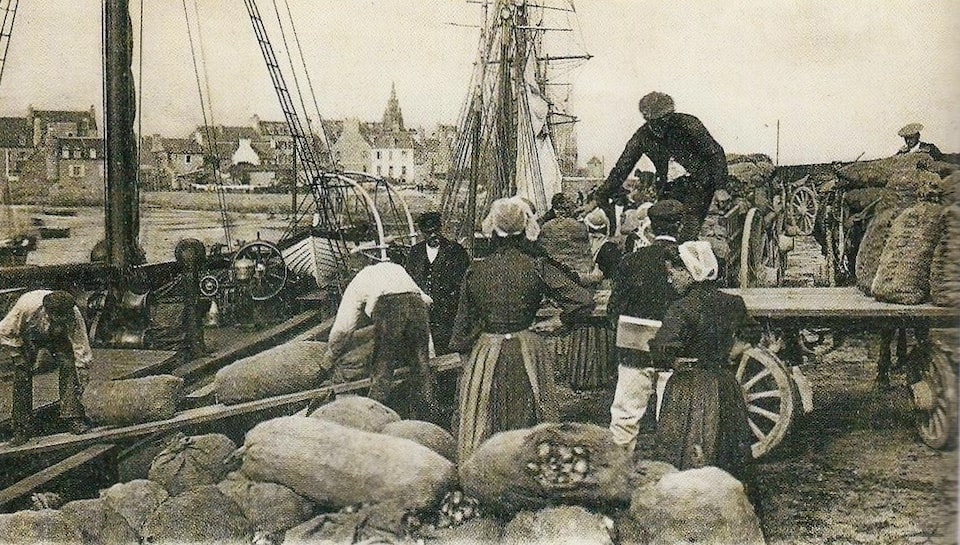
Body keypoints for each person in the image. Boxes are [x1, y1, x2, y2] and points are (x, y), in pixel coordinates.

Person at [449, 198, 595, 460]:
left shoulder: (476, 270)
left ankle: (487, 471)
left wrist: (471, 367)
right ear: (526, 228)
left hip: (487, 351)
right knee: (530, 413)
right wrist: (561, 322)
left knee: (485, 414)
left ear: (493, 229)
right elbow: (582, 300)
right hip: (527, 348)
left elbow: (461, 331)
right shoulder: (536, 265)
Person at [649, 241, 757, 485]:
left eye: (673, 273)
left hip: (689, 388)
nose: (670, 280)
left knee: (689, 447)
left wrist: (671, 359)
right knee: (725, 449)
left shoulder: (681, 308)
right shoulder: (733, 303)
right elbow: (751, 333)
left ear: (690, 272)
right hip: (724, 385)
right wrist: (729, 353)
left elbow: (662, 349)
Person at [589, 91, 727, 241]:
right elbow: (621, 168)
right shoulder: (642, 137)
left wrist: (720, 187)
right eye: (659, 120)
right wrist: (599, 197)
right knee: (662, 228)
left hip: (700, 184)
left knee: (687, 232)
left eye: (668, 118)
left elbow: (714, 152)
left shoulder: (688, 123)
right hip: (670, 188)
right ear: (648, 119)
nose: (665, 123)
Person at [326, 246, 440, 423]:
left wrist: (330, 356)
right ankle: (429, 421)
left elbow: (344, 327)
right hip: (417, 306)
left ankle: (371, 420)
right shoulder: (397, 269)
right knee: (422, 371)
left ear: (362, 262)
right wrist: (429, 353)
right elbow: (424, 300)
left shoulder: (360, 279)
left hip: (390, 309)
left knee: (382, 373)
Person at [607, 199, 684, 453]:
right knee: (672, 415)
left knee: (625, 416)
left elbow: (614, 308)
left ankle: (617, 474)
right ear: (680, 227)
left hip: (634, 344)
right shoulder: (687, 261)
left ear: (650, 227)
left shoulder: (631, 260)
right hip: (673, 345)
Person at [0, 290, 94, 445]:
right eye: (57, 319)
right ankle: (21, 427)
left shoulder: (74, 315)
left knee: (68, 364)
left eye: (64, 320)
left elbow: (80, 344)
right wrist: (17, 357)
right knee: (22, 373)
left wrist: (83, 370)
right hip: (29, 334)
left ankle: (73, 418)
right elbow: (4, 332)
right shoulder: (26, 306)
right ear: (47, 312)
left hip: (57, 338)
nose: (62, 321)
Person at [404, 212, 471, 354]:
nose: (433, 235)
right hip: (422, 312)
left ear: (440, 229)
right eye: (429, 232)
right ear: (422, 233)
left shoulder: (455, 251)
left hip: (447, 314)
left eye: (436, 231)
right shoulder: (415, 253)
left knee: (446, 352)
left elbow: (464, 282)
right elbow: (409, 279)